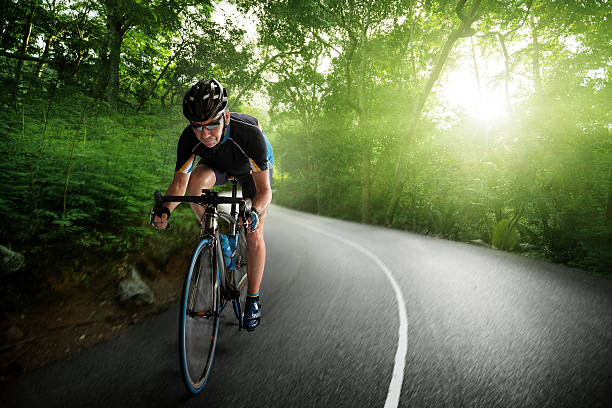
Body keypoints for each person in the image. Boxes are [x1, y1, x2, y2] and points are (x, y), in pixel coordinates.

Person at [151, 78, 273, 332]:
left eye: (211, 125)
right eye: (197, 127)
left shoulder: (249, 134)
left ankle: (253, 300)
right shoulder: (189, 139)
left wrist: (255, 213)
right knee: (196, 181)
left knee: (255, 231)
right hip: (217, 167)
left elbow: (264, 192)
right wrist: (165, 210)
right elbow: (179, 186)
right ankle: (217, 235)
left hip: (248, 170)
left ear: (225, 116)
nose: (204, 134)